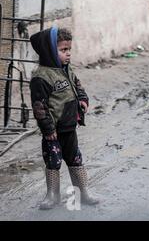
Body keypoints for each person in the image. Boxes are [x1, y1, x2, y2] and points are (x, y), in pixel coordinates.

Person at [30, 26, 99, 210]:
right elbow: (40, 107)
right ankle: (52, 195)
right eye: (63, 50)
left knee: (75, 158)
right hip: (53, 131)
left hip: (69, 127)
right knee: (53, 162)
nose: (68, 54)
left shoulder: (66, 69)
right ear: (50, 51)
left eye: (69, 49)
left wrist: (83, 99)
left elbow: (78, 86)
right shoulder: (41, 77)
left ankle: (84, 192)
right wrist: (48, 129)